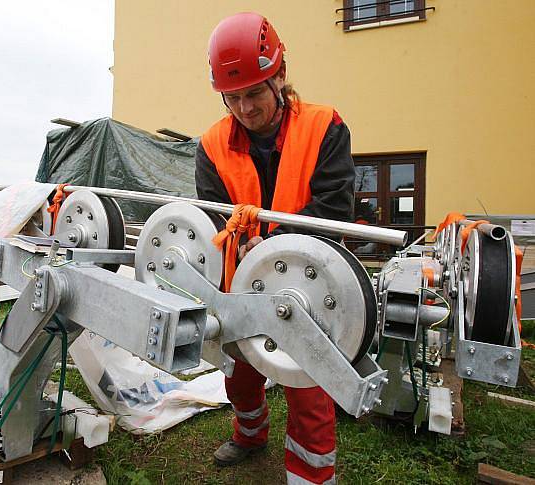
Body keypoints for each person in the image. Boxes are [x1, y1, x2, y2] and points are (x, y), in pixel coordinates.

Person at [195, 12, 355, 485]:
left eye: (255, 93)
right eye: (234, 97)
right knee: (240, 374)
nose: (245, 109)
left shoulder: (325, 126)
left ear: (280, 78)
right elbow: (213, 219)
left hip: (307, 281)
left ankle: (309, 477)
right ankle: (250, 434)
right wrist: (248, 254)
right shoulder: (211, 146)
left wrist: (279, 255)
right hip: (242, 281)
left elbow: (333, 213)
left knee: (309, 388)